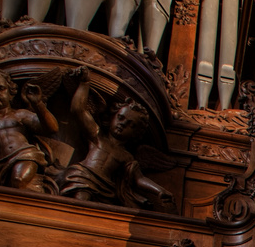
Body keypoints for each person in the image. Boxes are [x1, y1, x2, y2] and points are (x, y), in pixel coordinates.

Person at [58, 68, 173, 208]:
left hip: (106, 188)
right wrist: (84, 83)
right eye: (121, 117)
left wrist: (160, 190)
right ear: (112, 116)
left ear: (136, 133)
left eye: (130, 124)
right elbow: (78, 109)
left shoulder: (127, 157)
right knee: (81, 203)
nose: (123, 123)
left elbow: (139, 179)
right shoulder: (98, 135)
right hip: (84, 176)